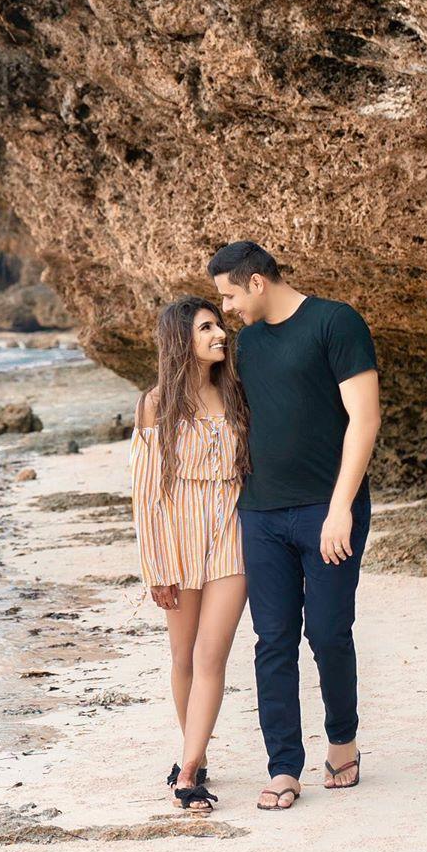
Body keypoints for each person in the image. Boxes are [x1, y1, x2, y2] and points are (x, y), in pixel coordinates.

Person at [208, 241, 381, 811]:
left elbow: (365, 417)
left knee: (329, 633)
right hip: (261, 514)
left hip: (328, 511)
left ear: (257, 282)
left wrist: (339, 508)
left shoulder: (335, 322)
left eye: (230, 295)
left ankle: (343, 741)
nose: (228, 309)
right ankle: (283, 767)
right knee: (273, 641)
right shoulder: (250, 344)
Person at [129, 295, 251, 814]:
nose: (219, 333)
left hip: (231, 532)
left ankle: (187, 773)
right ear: (182, 339)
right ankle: (193, 757)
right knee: (182, 657)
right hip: (176, 537)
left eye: (219, 325)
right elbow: (146, 492)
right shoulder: (155, 404)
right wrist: (156, 566)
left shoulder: (238, 396)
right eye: (205, 327)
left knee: (210, 655)